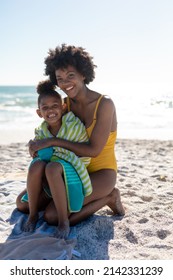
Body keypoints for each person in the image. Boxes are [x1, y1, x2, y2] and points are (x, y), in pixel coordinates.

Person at [16, 44, 125, 230]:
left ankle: (110, 197)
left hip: (101, 173)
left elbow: (94, 150)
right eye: (60, 78)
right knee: (23, 203)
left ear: (83, 73)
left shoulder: (104, 104)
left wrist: (51, 141)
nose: (65, 83)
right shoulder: (63, 105)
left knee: (52, 216)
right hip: (69, 169)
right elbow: (49, 130)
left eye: (70, 75)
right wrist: (36, 145)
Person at [21, 80, 92, 238]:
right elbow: (37, 154)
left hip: (72, 166)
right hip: (50, 169)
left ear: (63, 107)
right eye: (45, 108)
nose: (50, 110)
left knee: (52, 167)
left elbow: (81, 152)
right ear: (39, 113)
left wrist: (52, 150)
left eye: (54, 105)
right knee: (35, 166)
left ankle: (63, 221)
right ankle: (33, 215)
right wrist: (33, 149)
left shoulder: (73, 125)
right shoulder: (41, 131)